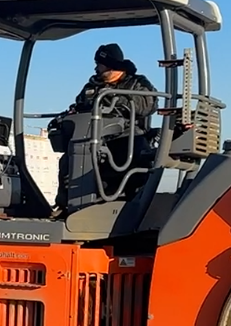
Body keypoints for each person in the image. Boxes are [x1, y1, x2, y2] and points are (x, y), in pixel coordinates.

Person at [51, 43, 157, 212]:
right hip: (94, 137)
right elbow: (79, 104)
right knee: (69, 159)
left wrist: (113, 98)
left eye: (100, 64)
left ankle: (132, 205)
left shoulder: (137, 83)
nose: (96, 68)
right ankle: (67, 205)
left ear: (112, 66)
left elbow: (147, 104)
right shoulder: (92, 86)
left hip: (127, 137)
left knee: (138, 155)